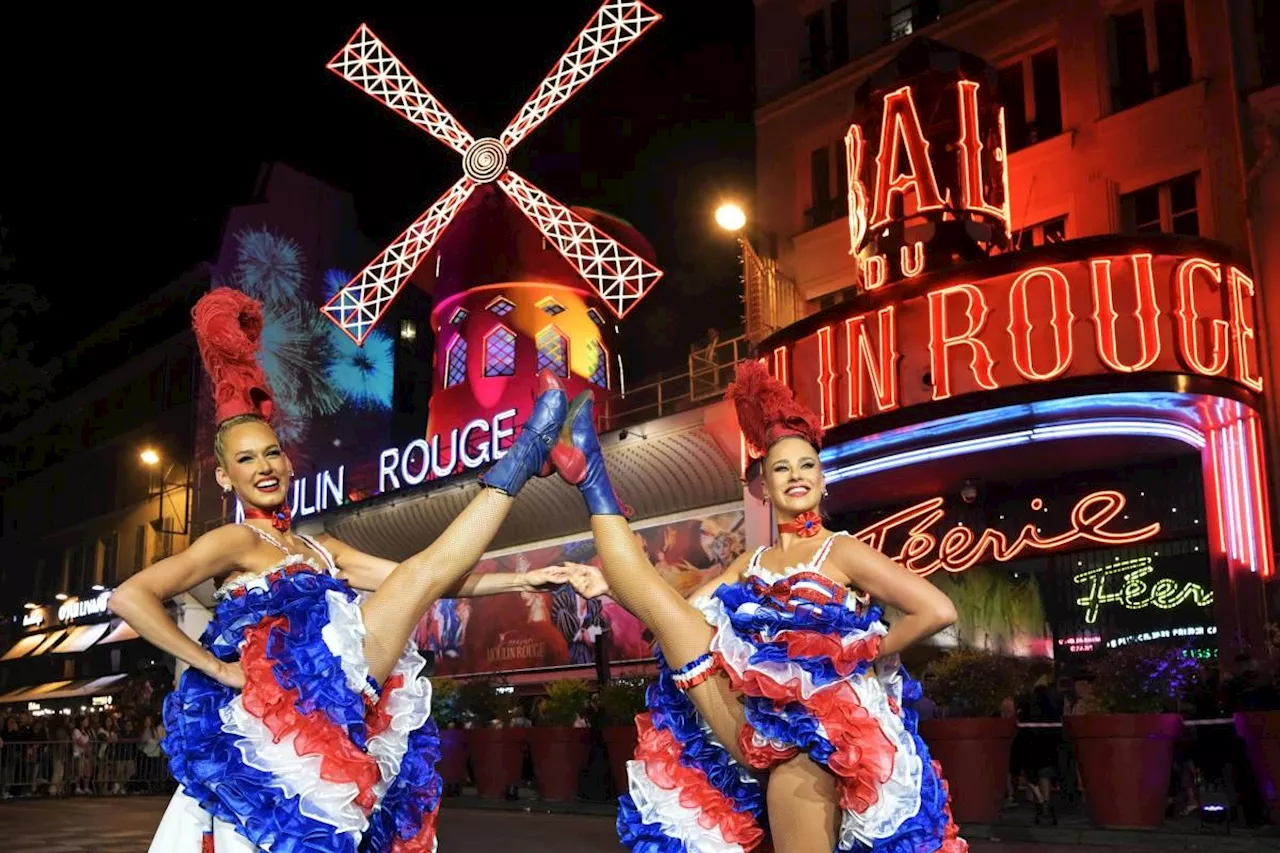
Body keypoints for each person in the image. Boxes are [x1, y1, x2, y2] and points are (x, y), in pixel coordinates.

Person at [108, 287, 576, 853]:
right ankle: (527, 454)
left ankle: (527, 455)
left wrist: (522, 579)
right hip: (278, 718)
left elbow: (426, 582)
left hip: (340, 705)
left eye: (272, 453)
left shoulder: (322, 545)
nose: (265, 467)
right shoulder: (234, 539)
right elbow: (130, 597)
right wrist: (215, 667)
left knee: (415, 579)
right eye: (246, 460)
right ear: (225, 478)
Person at [547, 360, 966, 853]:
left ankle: (589, 470)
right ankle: (590, 472)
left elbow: (936, 610)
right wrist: (607, 587)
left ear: (823, 479)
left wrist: (858, 654)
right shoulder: (754, 560)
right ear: (763, 489)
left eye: (807, 465)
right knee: (669, 615)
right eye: (781, 468)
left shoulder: (842, 550)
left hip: (816, 740)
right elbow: (685, 610)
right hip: (745, 716)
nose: (795, 475)